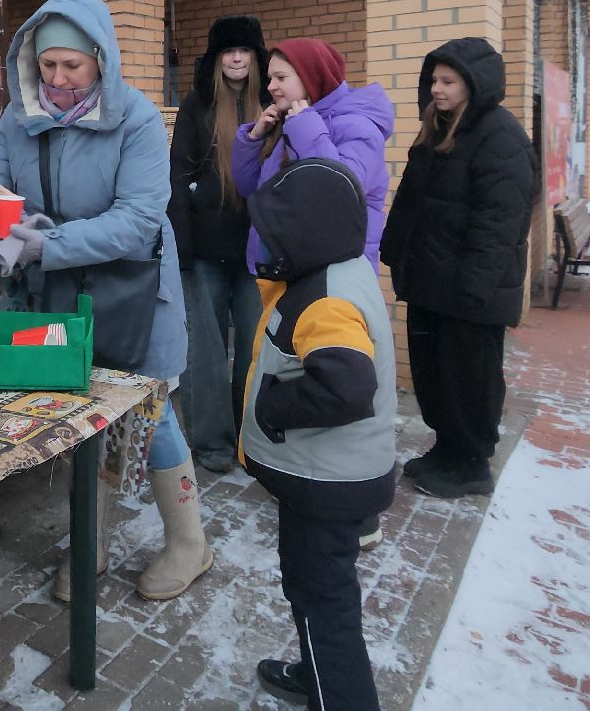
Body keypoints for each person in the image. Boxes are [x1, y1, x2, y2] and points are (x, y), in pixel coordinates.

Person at [0, 0, 208, 603]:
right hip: (62, 293)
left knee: (149, 412)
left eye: (71, 66)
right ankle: (89, 541)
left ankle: (188, 543)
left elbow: (139, 219)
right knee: (80, 413)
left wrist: (50, 246)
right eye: (47, 66)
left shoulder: (139, 120)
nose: (58, 79)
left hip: (134, 292)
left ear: (101, 59)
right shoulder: (19, 118)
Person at [239, 156, 396, 711]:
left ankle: (340, 693)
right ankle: (318, 674)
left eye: (276, 234)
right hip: (328, 476)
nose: (265, 245)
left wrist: (274, 407)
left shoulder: (326, 300)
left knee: (323, 600)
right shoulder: (334, 271)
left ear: (309, 234)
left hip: (328, 482)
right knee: (316, 591)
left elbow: (348, 385)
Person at [380, 38, 538, 500]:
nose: (437, 89)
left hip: (470, 292)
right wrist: (396, 251)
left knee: (469, 378)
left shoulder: (500, 136)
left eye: (447, 81)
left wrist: (475, 289)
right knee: (436, 375)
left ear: (474, 83)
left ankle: (471, 463)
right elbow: (413, 202)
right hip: (431, 281)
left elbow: (500, 223)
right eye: (434, 80)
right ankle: (448, 447)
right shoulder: (440, 128)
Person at [168, 15, 270, 473]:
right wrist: (183, 246)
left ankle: (251, 440)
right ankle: (211, 442)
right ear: (216, 58)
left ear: (255, 57)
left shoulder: (271, 104)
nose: (235, 58)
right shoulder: (197, 106)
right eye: (228, 50)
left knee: (253, 349)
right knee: (205, 353)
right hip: (206, 249)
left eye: (244, 51)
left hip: (257, 252)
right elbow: (179, 177)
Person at [233, 38, 394, 274]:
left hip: (333, 272)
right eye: (270, 78)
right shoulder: (292, 122)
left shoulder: (358, 127)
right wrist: (253, 139)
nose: (270, 87)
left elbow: (339, 194)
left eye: (281, 78)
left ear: (310, 77)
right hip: (288, 265)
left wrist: (305, 128)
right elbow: (252, 191)